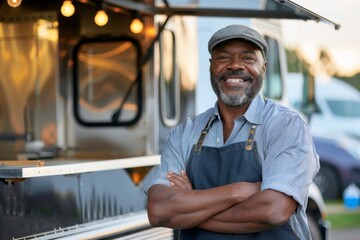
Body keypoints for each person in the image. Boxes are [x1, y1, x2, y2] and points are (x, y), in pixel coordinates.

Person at [146, 24, 319, 239]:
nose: (235, 65)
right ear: (211, 66)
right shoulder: (185, 133)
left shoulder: (286, 127)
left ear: (263, 68)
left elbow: (273, 210)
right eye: (224, 58)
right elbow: (158, 210)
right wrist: (239, 191)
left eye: (248, 58)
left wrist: (190, 207)